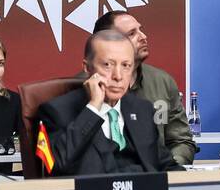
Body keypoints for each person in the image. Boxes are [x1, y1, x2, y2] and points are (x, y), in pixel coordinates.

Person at [37, 30, 183, 176]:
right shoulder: (57, 111)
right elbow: (56, 165)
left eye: (126, 65)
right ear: (87, 68)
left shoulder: (141, 109)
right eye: (108, 65)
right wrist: (93, 108)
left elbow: (165, 164)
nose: (118, 76)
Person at [88, 10, 196, 166]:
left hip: (156, 178)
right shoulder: (84, 87)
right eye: (132, 33)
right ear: (109, 43)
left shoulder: (163, 82)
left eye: (140, 29)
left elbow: (181, 141)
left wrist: (169, 170)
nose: (143, 36)